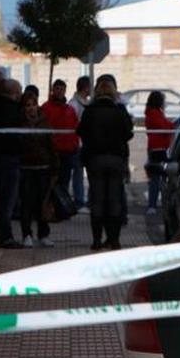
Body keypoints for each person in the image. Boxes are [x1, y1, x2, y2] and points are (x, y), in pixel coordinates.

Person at [77, 73, 133, 251]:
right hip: (116, 159)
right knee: (114, 199)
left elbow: (80, 132)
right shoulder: (119, 112)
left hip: (95, 159)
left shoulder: (90, 112)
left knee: (97, 199)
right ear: (113, 93)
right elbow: (128, 134)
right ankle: (114, 240)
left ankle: (96, 240)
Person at [0, 79, 25, 249]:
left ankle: (5, 234)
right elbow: (11, 136)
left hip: (0, 158)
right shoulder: (11, 109)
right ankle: (5, 237)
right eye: (19, 91)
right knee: (8, 199)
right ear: (14, 92)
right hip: (9, 158)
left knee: (5, 198)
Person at [17, 89, 57, 247]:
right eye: (27, 105)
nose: (31, 108)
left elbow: (51, 145)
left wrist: (55, 166)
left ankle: (43, 234)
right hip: (26, 167)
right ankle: (26, 234)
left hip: (43, 167)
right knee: (26, 202)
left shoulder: (44, 122)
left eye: (33, 105)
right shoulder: (20, 123)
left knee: (43, 201)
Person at [41, 78, 80, 217]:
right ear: (53, 90)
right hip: (53, 152)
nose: (59, 91)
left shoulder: (70, 109)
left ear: (65, 90)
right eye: (57, 89)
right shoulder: (46, 108)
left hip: (68, 151)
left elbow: (76, 128)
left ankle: (61, 209)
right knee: (51, 183)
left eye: (62, 89)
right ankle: (51, 209)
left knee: (64, 182)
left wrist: (74, 145)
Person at [144, 90, 174, 215]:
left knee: (157, 177)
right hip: (158, 149)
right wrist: (171, 125)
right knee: (157, 177)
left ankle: (153, 203)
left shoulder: (153, 113)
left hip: (156, 148)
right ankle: (152, 204)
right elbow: (165, 127)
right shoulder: (154, 114)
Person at [69, 76, 92, 211]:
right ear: (86, 87)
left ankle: (85, 199)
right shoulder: (74, 104)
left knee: (86, 172)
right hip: (78, 144)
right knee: (78, 172)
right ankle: (79, 200)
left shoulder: (85, 103)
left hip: (85, 144)